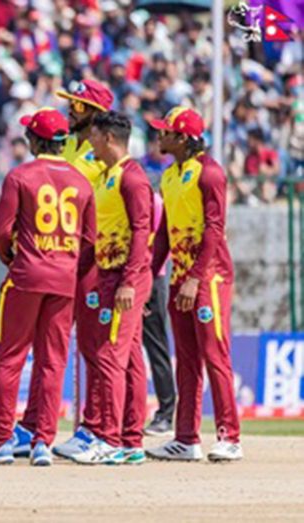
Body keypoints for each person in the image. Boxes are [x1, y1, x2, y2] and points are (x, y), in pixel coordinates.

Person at [0, 108, 96, 466]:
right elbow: (89, 239)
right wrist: (67, 264)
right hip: (64, 278)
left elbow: (1, 230)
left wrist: (12, 258)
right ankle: (43, 442)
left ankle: (0, 441)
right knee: (52, 362)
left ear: (35, 141)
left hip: (27, 275)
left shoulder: (20, 176)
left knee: (10, 358)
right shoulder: (81, 181)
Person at [15, 79, 115, 459]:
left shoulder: (99, 155)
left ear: (94, 112)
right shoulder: (70, 145)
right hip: (58, 259)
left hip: (89, 261)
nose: (71, 110)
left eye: (77, 105)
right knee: (47, 348)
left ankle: (97, 428)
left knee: (92, 347)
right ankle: (32, 426)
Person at [147, 107, 242, 462]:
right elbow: (163, 236)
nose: (160, 136)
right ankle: (186, 438)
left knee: (215, 355)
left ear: (183, 138)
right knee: (185, 359)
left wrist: (196, 278)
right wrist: (149, 274)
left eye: (166, 131)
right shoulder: (170, 176)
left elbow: (215, 229)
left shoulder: (211, 173)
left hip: (210, 278)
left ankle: (230, 436)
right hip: (179, 277)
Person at [70, 111, 154, 465]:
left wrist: (131, 282)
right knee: (127, 357)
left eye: (93, 136)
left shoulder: (132, 179)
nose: (89, 142)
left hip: (122, 278)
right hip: (111, 275)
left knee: (110, 356)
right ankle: (130, 440)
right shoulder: (110, 175)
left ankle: (111, 438)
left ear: (107, 137)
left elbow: (142, 231)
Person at [143, 191, 175, 437]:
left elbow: (156, 242)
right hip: (132, 275)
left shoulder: (153, 201)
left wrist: (147, 280)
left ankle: (166, 413)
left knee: (156, 346)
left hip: (153, 277)